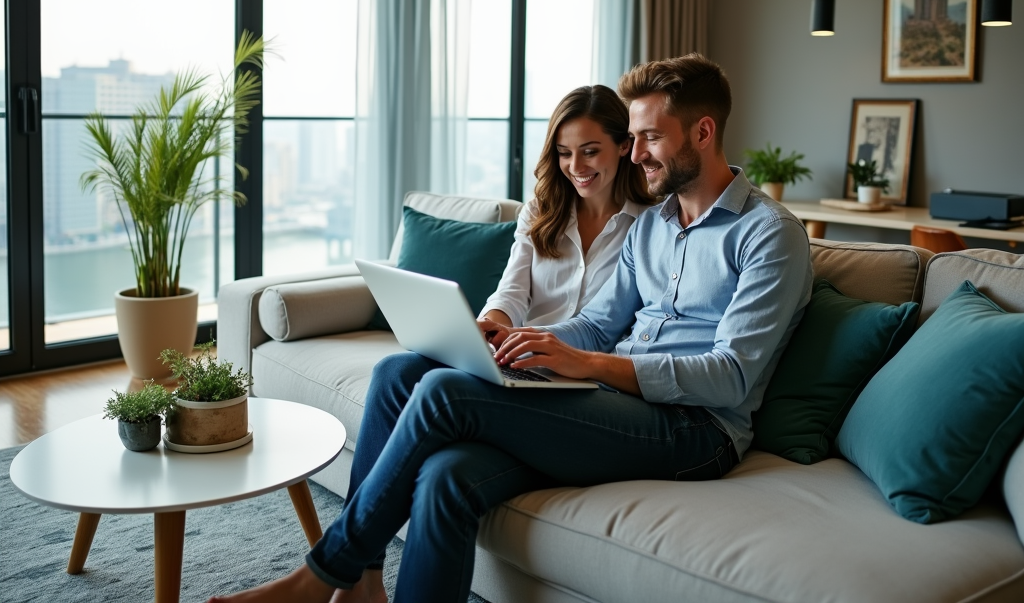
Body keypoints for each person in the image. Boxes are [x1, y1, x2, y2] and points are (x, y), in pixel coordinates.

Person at [208, 54, 813, 603]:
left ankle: (322, 575)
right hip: (618, 399)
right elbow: (601, 324)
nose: (635, 154)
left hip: (696, 432)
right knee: (441, 464)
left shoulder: (768, 235)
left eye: (649, 138)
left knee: (445, 394)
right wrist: (527, 346)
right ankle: (363, 585)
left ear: (703, 132)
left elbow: (730, 377)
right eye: (633, 139)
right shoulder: (657, 224)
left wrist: (588, 365)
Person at [480, 84, 655, 329]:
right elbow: (511, 294)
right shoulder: (538, 213)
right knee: (412, 364)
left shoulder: (650, 224)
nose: (575, 167)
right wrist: (488, 328)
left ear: (624, 145)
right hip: (522, 358)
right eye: (564, 153)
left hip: (592, 364)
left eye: (590, 152)